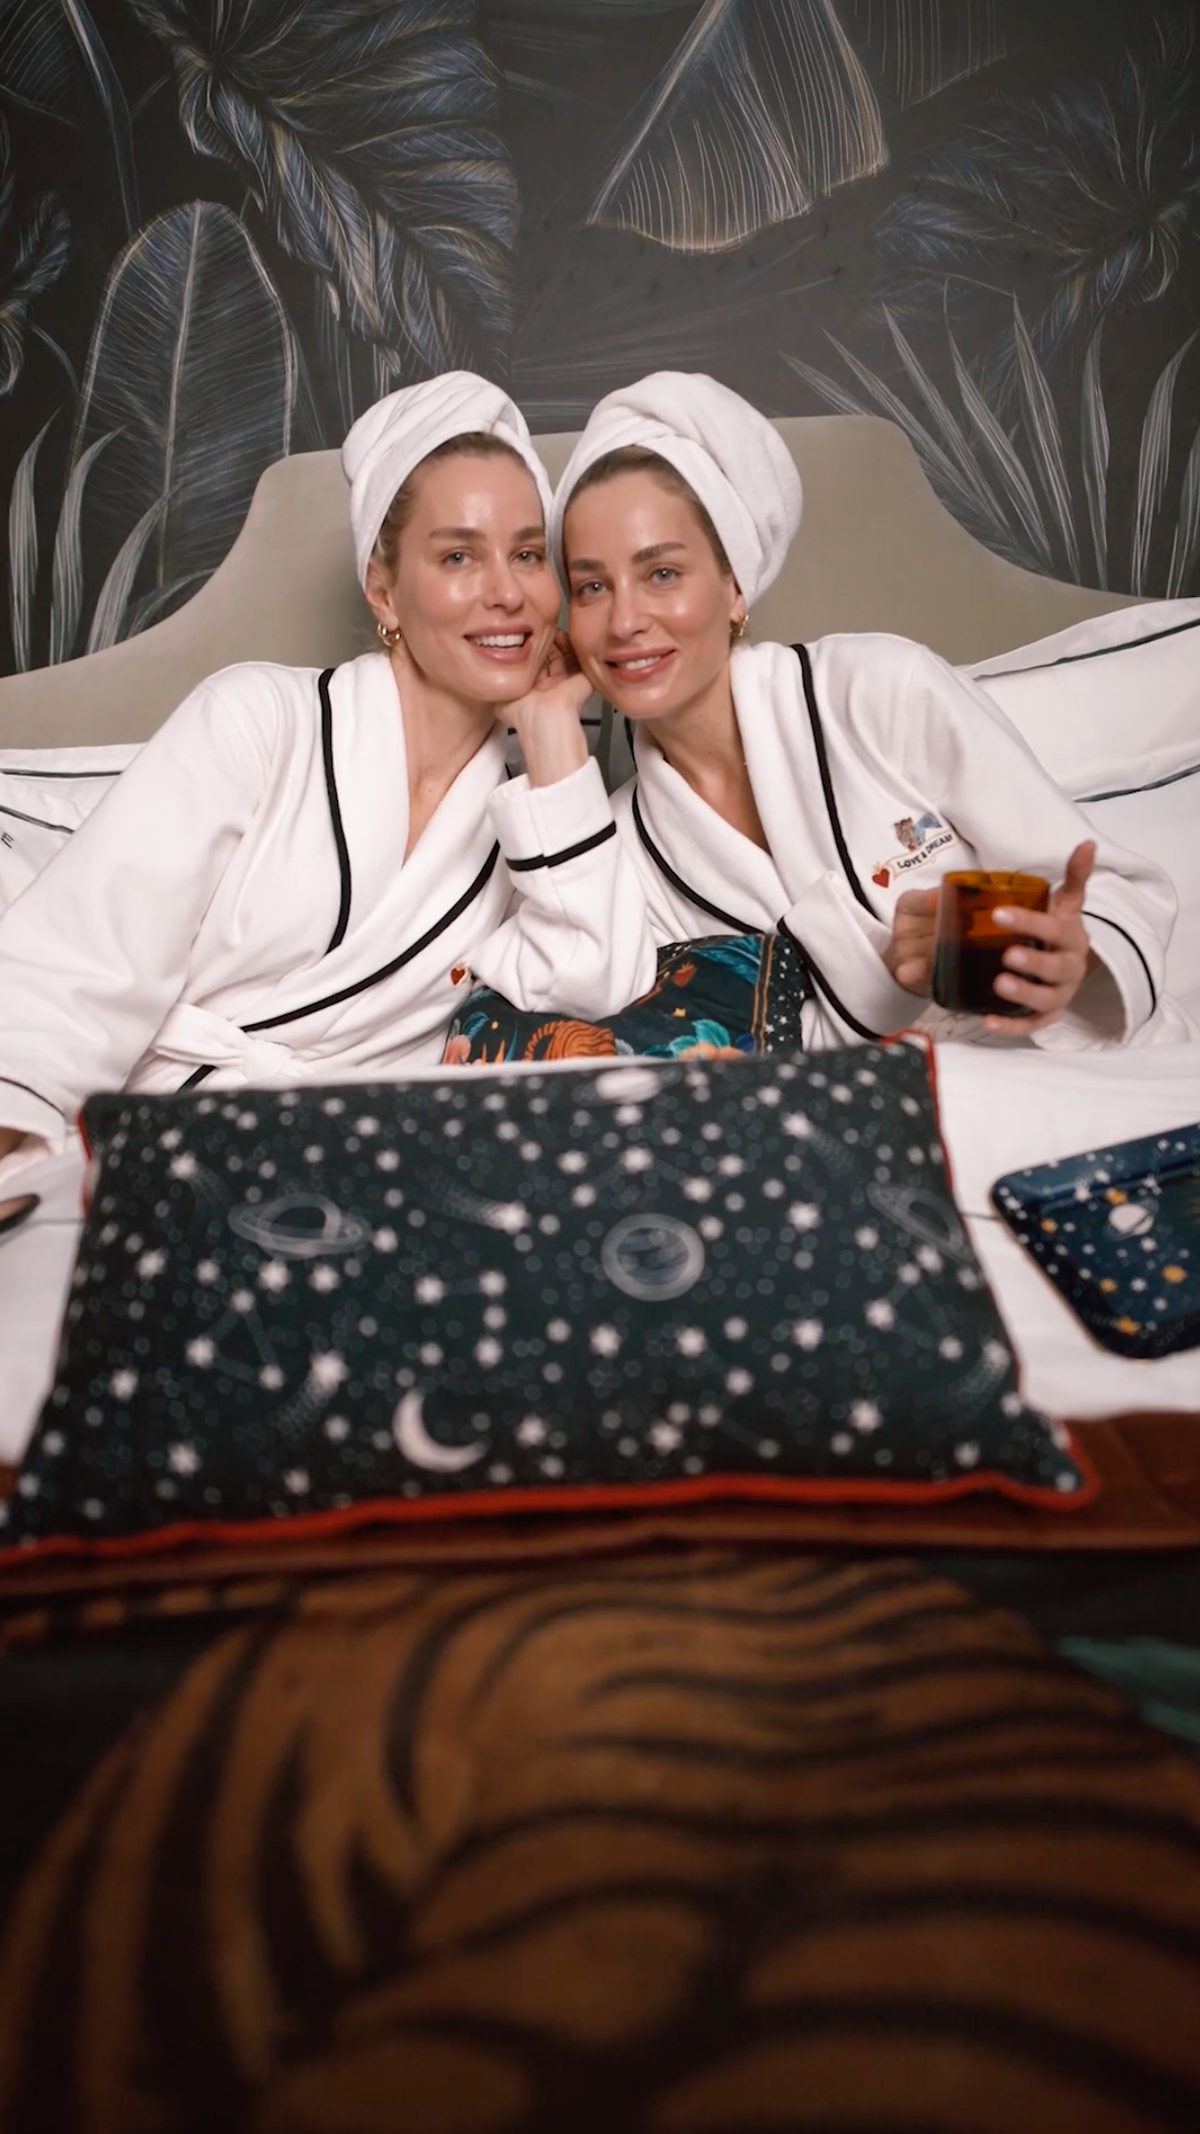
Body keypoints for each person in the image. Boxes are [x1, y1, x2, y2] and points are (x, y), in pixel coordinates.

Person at [0, 370, 645, 1202]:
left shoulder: (524, 824)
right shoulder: (260, 719)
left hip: (337, 1180)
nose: (507, 593)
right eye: (458, 556)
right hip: (144, 1134)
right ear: (384, 590)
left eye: (527, 554)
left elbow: (597, 984)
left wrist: (554, 733)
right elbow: (83, 963)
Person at [552, 371, 1187, 1053]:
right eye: (591, 586)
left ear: (734, 586)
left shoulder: (880, 691)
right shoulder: (621, 851)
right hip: (873, 1107)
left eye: (662, 573)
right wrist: (546, 724)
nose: (624, 620)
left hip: (1074, 1066)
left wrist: (1068, 957)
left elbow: (1107, 889)